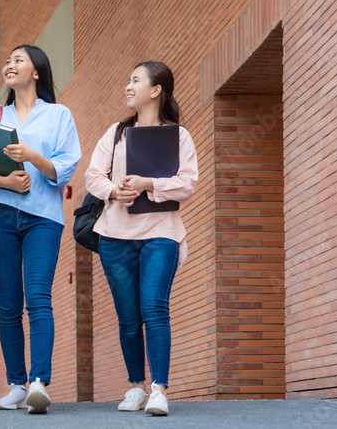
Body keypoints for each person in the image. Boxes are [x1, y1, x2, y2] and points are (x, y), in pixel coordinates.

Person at [0, 45, 81, 414]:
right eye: (8, 60)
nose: (9, 65)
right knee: (8, 305)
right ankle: (16, 384)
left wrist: (32, 157)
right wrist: (7, 182)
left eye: (18, 60)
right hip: (0, 217)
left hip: (43, 219)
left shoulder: (59, 115)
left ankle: (38, 382)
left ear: (36, 73)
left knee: (38, 298)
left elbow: (65, 168)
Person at [83, 61, 198, 417]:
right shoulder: (116, 132)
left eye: (136, 80)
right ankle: (136, 386)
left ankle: (159, 389)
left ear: (156, 89)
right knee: (128, 316)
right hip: (115, 236)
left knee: (154, 306)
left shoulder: (177, 135)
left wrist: (151, 185)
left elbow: (188, 182)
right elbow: (92, 176)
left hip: (161, 232)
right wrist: (114, 191)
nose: (128, 86)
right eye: (128, 79)